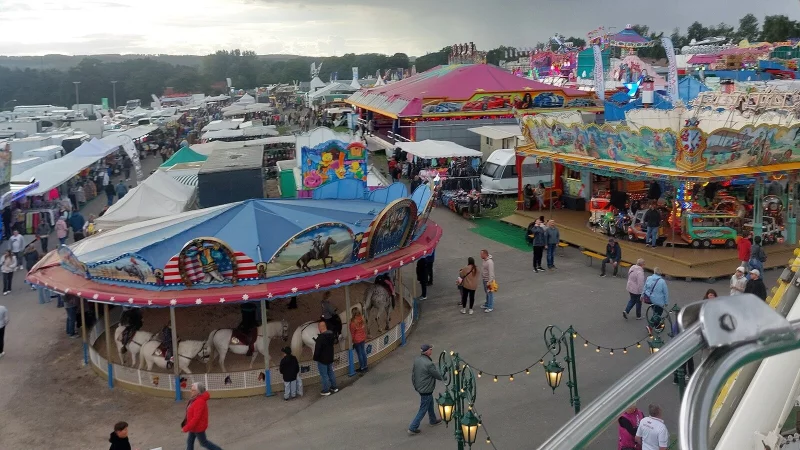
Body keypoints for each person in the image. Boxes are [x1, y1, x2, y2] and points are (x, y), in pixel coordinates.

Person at [408, 344, 443, 435]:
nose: (431, 351)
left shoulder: (417, 360)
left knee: (430, 402)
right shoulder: (429, 364)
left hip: (419, 387)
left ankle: (433, 420)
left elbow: (413, 374)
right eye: (431, 349)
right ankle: (413, 427)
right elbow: (436, 374)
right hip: (426, 389)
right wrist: (444, 377)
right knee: (423, 408)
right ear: (427, 352)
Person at [182, 382, 223, 450]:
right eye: (191, 389)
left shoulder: (199, 402)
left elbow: (196, 418)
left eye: (193, 390)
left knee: (203, 442)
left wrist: (186, 428)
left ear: (198, 392)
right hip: (193, 426)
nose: (191, 391)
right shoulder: (194, 398)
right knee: (190, 441)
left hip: (198, 427)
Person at [313, 321, 338, 396]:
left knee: (324, 375)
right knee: (331, 372)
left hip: (322, 359)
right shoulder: (331, 335)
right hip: (330, 357)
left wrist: (315, 358)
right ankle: (334, 387)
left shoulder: (320, 338)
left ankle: (326, 390)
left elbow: (317, 350)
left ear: (320, 328)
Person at [643, 268, 669, 334]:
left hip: (650, 299)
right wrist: (666, 302)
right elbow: (666, 292)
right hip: (659, 301)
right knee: (658, 314)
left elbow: (645, 287)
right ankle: (650, 326)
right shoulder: (662, 281)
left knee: (655, 312)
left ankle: (657, 326)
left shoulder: (649, 278)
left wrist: (642, 295)